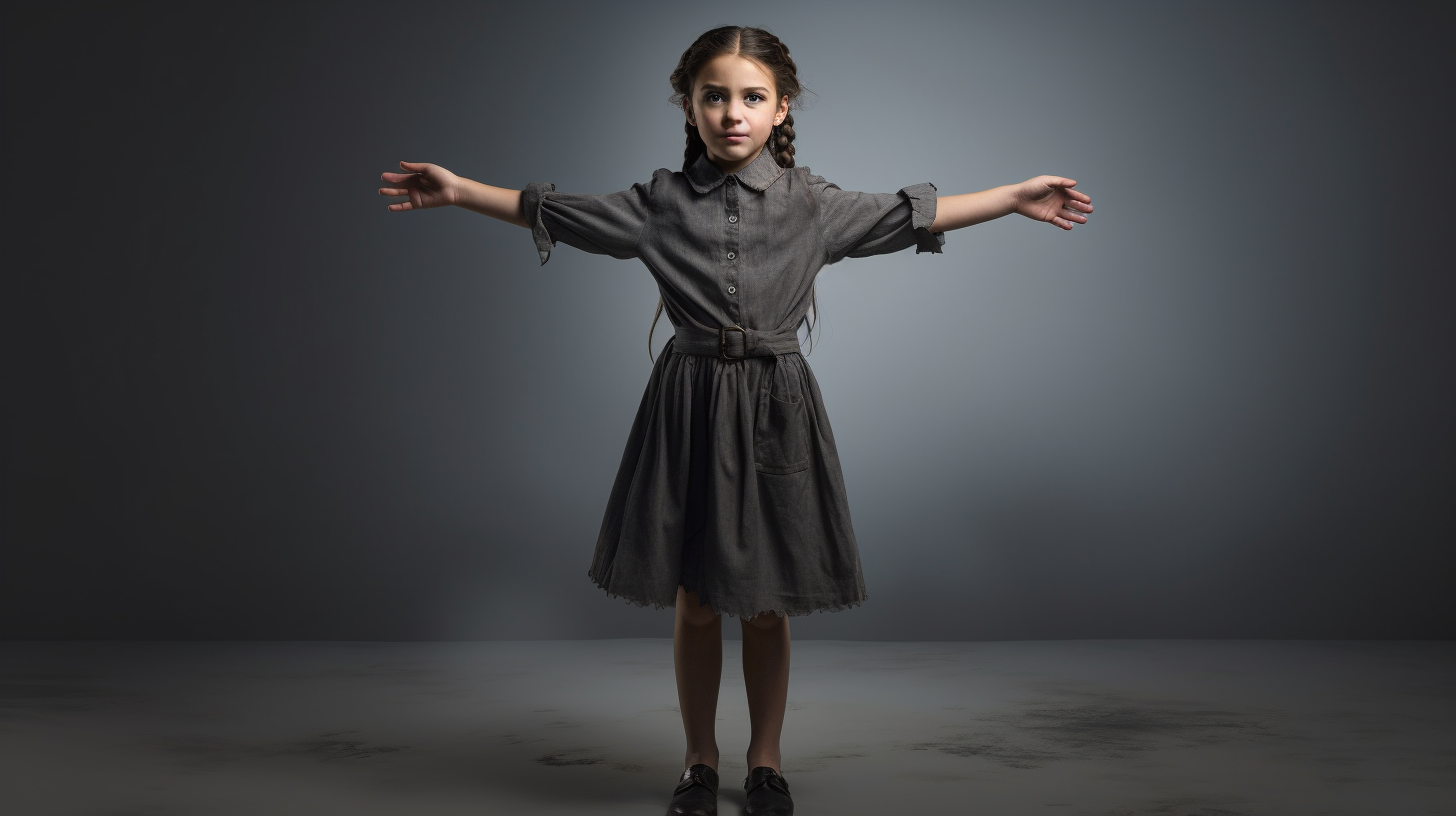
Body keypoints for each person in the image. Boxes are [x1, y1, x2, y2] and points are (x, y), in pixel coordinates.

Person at [378, 24, 1091, 816]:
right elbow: (562, 213)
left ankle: (765, 763)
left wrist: (1014, 197)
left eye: (752, 97)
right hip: (686, 408)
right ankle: (698, 762)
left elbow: (911, 213)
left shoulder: (813, 206)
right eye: (714, 95)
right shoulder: (658, 205)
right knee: (695, 596)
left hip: (776, 410)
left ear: (781, 107)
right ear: (689, 105)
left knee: (765, 597)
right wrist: (460, 190)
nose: (732, 113)